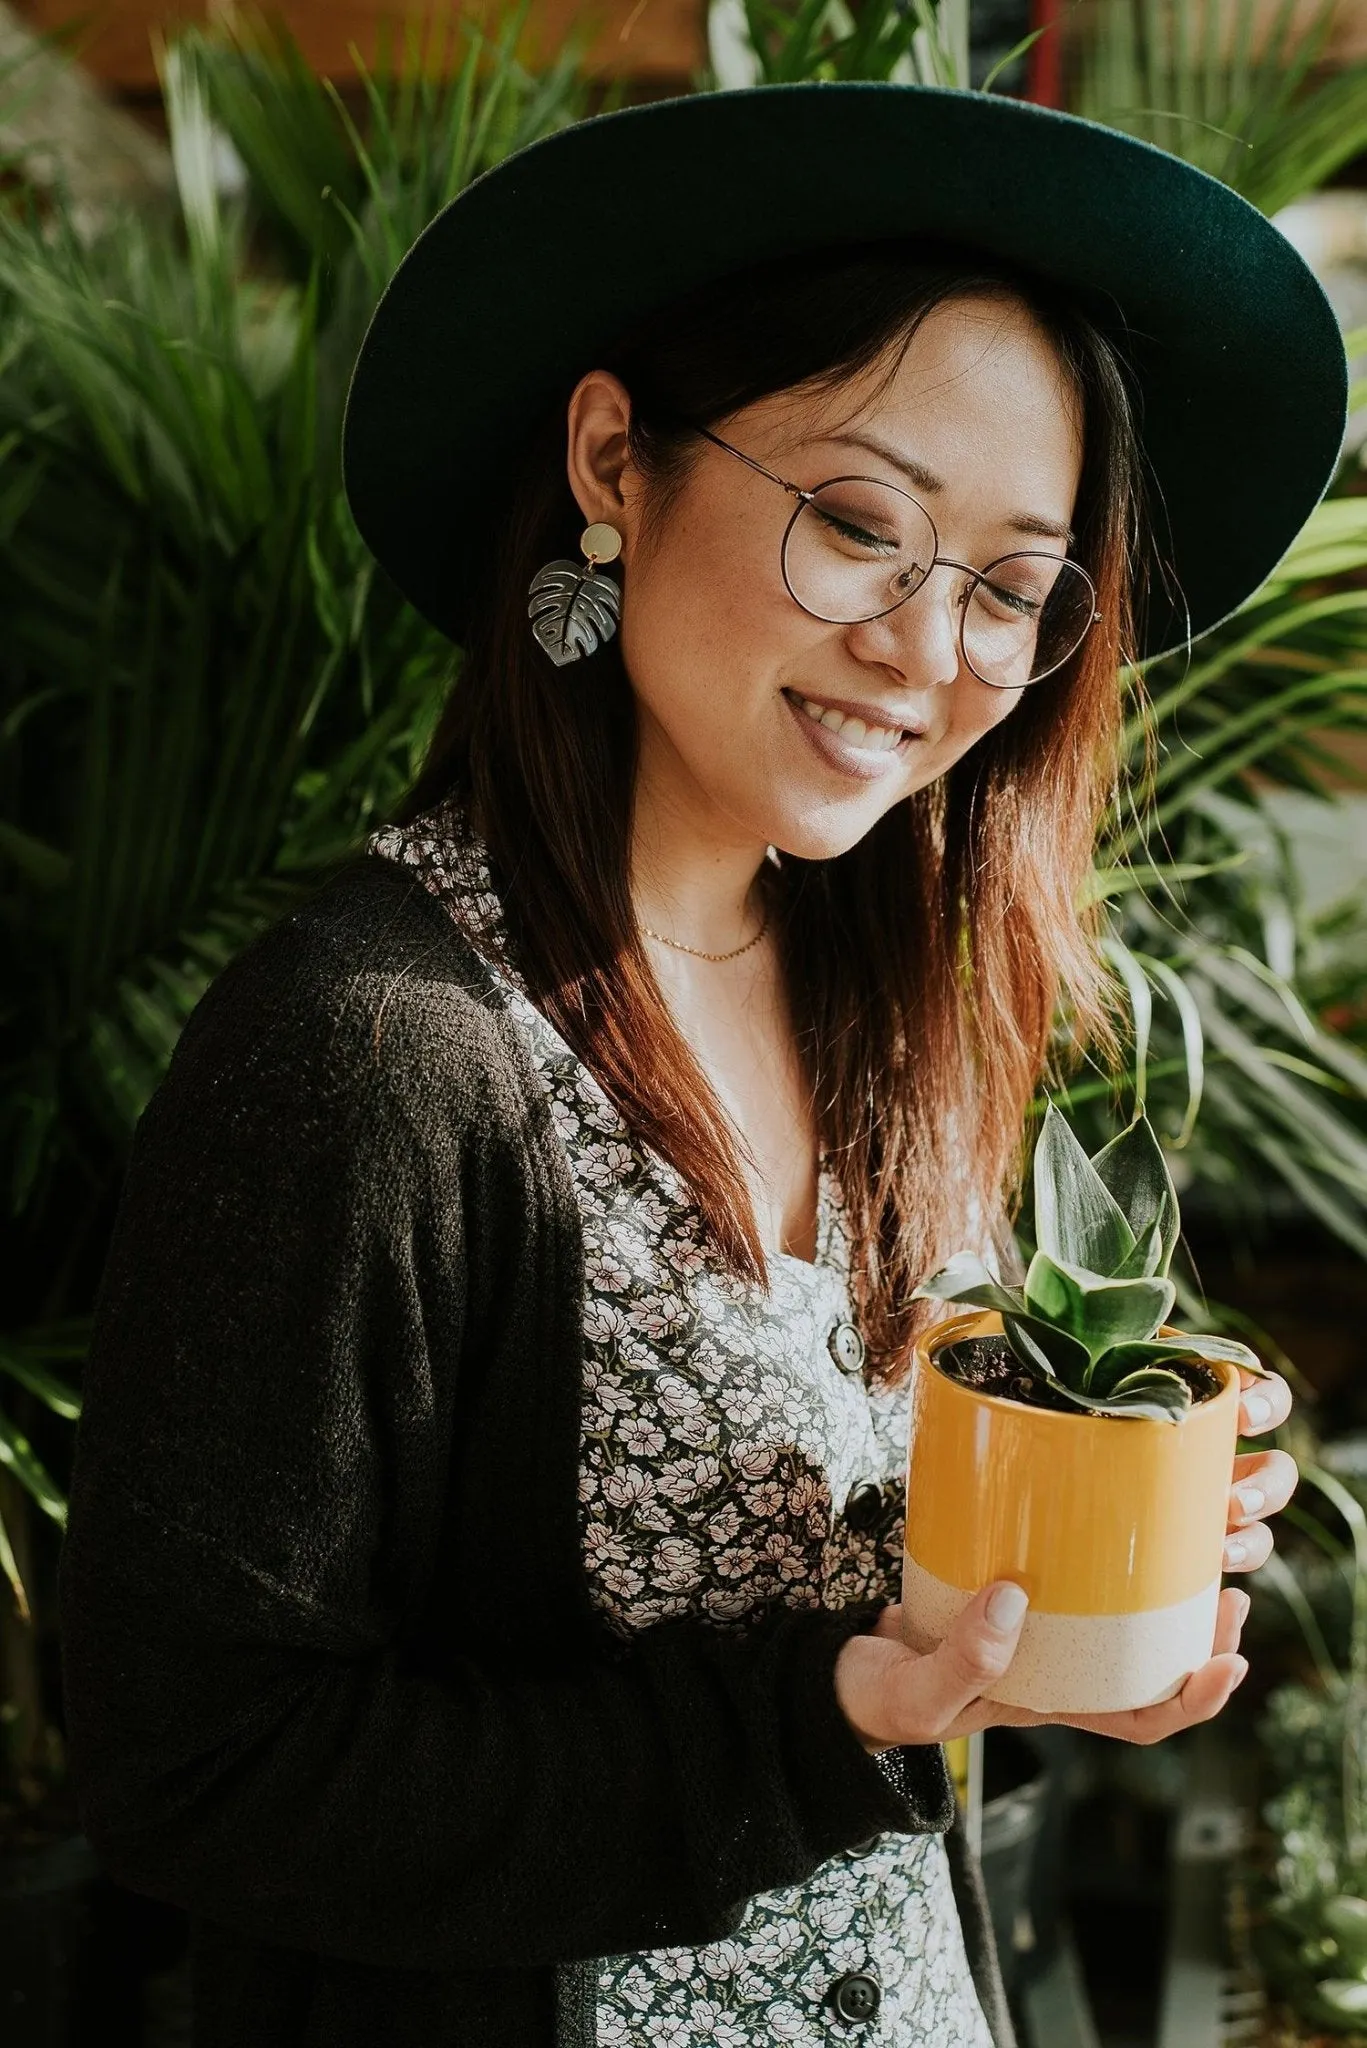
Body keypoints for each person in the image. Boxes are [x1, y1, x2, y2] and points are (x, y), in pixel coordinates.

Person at [57, 79, 1344, 2048]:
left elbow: (847, 1581)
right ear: (609, 458)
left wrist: (1077, 1528)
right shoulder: (372, 1055)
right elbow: (196, 1766)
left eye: (1007, 585)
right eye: (857, 523)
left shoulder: (880, 995)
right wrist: (822, 1723)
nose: (927, 651)